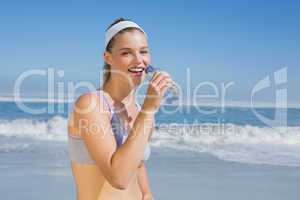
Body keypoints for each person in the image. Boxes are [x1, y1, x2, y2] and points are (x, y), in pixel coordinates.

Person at [67, 17, 174, 200]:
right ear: (108, 57)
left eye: (144, 51)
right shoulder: (91, 104)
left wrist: (147, 194)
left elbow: (137, 164)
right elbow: (119, 178)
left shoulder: (140, 110)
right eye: (126, 53)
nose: (139, 60)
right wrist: (148, 111)